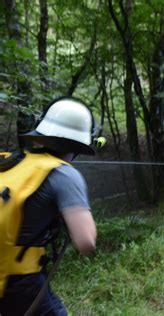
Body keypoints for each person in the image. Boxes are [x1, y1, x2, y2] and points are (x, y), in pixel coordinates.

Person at [0, 97, 98, 315]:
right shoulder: (64, 174)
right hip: (17, 280)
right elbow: (86, 243)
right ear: (80, 144)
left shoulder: (12, 161)